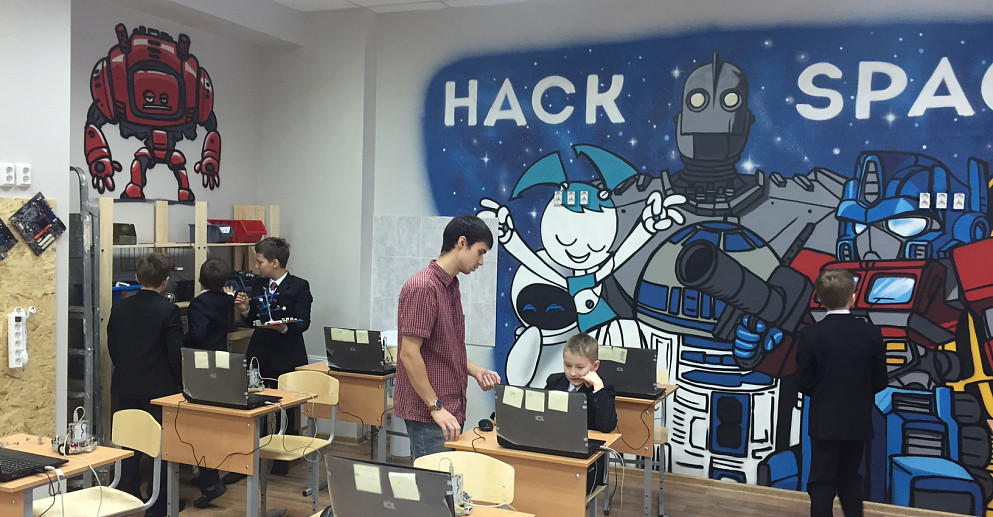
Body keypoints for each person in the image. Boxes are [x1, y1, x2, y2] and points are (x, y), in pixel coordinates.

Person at [394, 215, 502, 460]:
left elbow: (445, 348)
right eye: (480, 252)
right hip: (430, 413)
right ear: (462, 243)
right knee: (434, 481)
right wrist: (436, 407)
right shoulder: (423, 287)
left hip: (449, 408)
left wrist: (475, 370)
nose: (481, 262)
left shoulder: (451, 286)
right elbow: (409, 354)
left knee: (448, 480)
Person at [795, 268, 887, 517]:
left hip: (824, 421)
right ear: (853, 297)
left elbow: (802, 381)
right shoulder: (870, 333)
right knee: (850, 478)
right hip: (857, 420)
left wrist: (823, 393)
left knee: (821, 481)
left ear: (820, 298)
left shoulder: (812, 334)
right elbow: (880, 381)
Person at [107, 252, 185, 516]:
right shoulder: (169, 310)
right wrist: (180, 383)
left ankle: (127, 496)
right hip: (159, 387)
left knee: (128, 443)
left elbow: (113, 345)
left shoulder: (120, 307)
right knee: (159, 447)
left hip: (126, 383)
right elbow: (175, 353)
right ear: (166, 281)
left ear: (136, 277)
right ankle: (159, 503)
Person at [231, 237, 313, 479]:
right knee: (254, 403)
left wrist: (284, 328)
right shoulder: (258, 284)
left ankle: (282, 455)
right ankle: (251, 453)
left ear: (275, 262)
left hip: (286, 353)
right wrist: (245, 309)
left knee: (284, 407)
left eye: (260, 262)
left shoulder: (299, 286)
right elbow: (253, 318)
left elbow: (304, 321)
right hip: (259, 352)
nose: (257, 267)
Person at [184, 258, 234, 507]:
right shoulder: (226, 300)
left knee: (200, 422)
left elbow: (197, 334)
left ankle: (211, 480)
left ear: (199, 279)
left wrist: (182, 340)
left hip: (202, 364)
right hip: (222, 362)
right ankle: (208, 473)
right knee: (213, 420)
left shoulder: (198, 304)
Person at [544, 332, 617, 494]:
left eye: (580, 367)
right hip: (555, 451)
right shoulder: (554, 381)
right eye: (567, 365)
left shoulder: (603, 388)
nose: (572, 373)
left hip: (587, 460)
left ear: (595, 366)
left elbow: (607, 426)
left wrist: (598, 389)